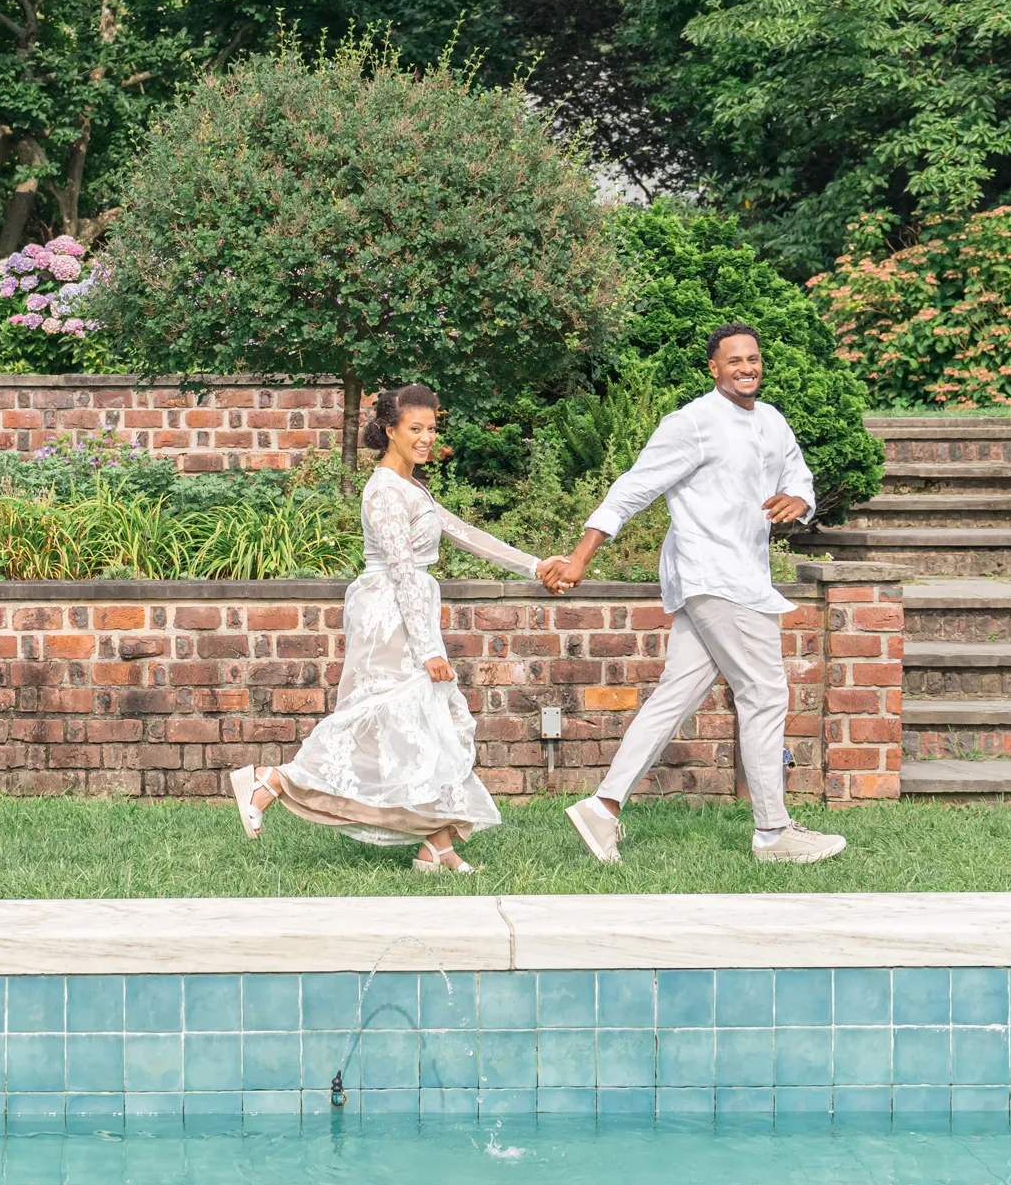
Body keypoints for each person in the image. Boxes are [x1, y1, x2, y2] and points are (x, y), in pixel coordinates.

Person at [534, 323, 847, 865]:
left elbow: (801, 478)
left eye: (753, 358)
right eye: (734, 361)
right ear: (714, 368)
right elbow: (632, 488)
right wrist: (581, 556)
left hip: (742, 575)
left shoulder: (772, 421)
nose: (747, 367)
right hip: (713, 576)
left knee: (675, 696)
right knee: (766, 693)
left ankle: (602, 807)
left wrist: (800, 501)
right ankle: (774, 833)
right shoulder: (692, 422)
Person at [229, 385, 547, 872]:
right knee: (376, 721)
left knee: (422, 726)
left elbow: (463, 533)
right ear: (390, 430)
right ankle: (271, 779)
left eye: (432, 428)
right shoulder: (382, 491)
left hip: (410, 610)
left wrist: (537, 565)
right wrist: (427, 651)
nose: (426, 438)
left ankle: (436, 847)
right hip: (390, 617)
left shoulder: (412, 486)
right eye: (415, 429)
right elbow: (400, 570)